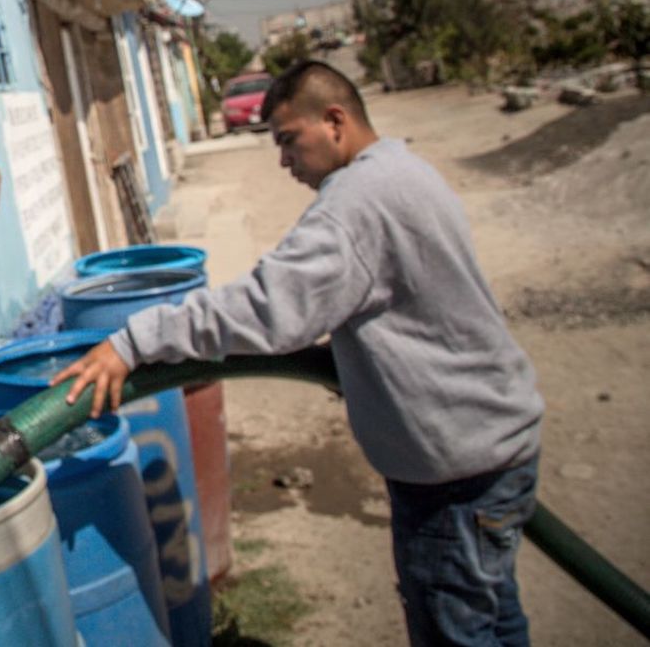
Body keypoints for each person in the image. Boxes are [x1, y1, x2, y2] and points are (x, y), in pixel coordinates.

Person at [53, 59, 544, 647]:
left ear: (335, 121)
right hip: (493, 448)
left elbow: (268, 310)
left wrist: (132, 342)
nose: (283, 160)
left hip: (456, 477)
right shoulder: (402, 168)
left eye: (289, 140)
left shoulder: (355, 203)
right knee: (494, 618)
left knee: (458, 631)